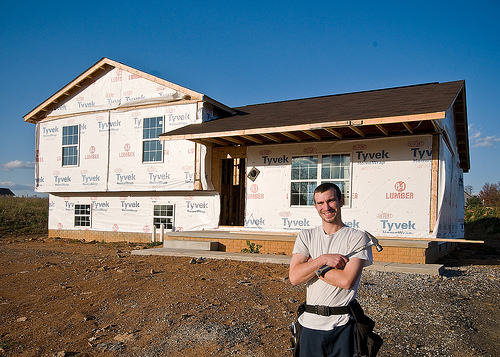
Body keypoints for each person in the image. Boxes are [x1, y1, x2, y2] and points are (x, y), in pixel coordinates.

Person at [289, 182, 373, 357]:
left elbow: (346, 281)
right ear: (315, 206)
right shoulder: (306, 236)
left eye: (331, 201)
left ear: (341, 201)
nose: (326, 207)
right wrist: (323, 259)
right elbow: (295, 277)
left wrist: (313, 267)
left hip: (343, 326)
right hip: (309, 325)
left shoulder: (357, 238)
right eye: (320, 203)